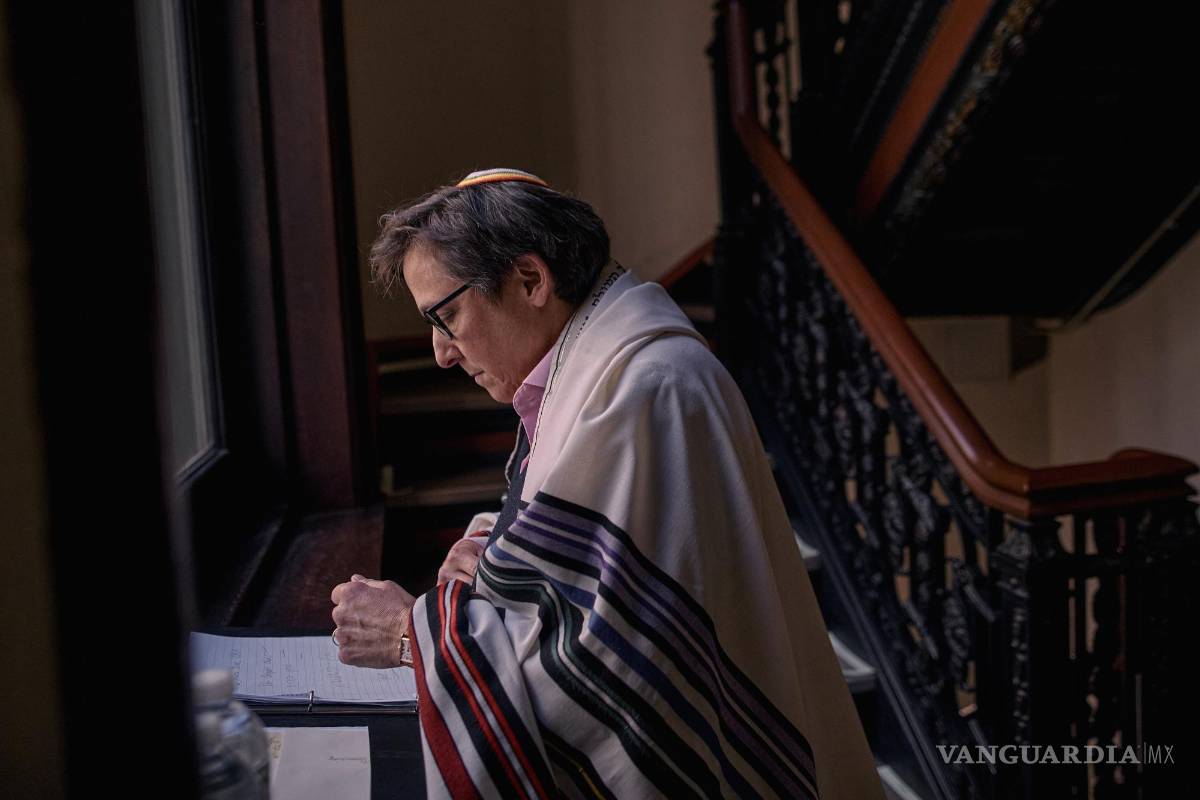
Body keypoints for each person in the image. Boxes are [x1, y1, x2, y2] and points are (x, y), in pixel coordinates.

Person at [330, 168, 882, 798]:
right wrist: (494, 549)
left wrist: (412, 634)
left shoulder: (645, 390)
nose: (440, 352)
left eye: (446, 314)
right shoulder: (594, 364)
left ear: (530, 280)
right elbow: (566, 540)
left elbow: (613, 674)